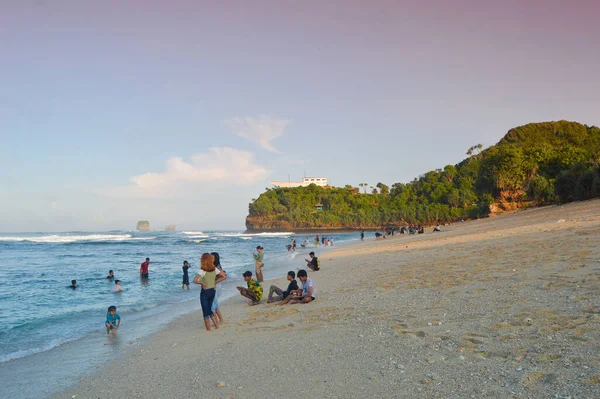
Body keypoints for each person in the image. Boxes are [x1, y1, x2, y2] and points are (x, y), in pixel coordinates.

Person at [192, 253, 225, 331]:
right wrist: (214, 282)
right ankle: (216, 326)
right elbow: (224, 276)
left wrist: (202, 283)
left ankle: (208, 329)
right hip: (212, 291)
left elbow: (194, 280)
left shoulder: (202, 270)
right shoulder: (215, 269)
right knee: (210, 308)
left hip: (205, 292)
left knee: (205, 310)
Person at [210, 252, 226, 324]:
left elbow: (224, 276)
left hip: (216, 286)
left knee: (213, 305)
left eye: (212, 258)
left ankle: (219, 321)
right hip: (214, 286)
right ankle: (219, 320)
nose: (210, 259)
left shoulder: (216, 267)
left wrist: (214, 283)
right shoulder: (212, 266)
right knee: (214, 304)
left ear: (216, 259)